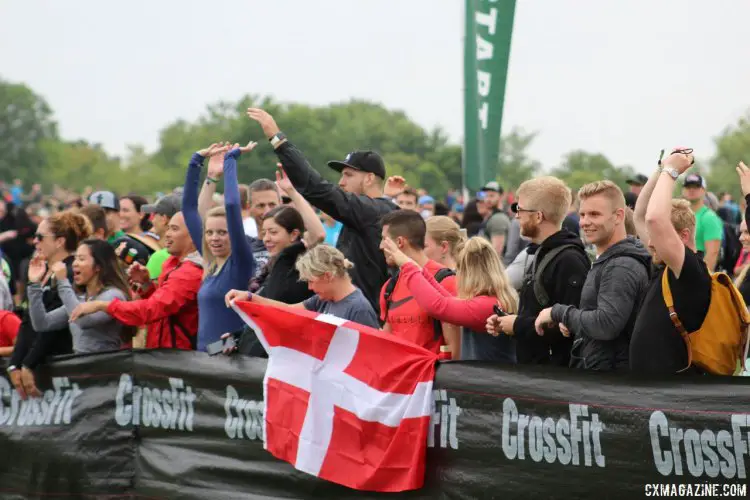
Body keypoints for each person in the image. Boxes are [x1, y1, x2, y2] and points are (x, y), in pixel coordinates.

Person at [248, 108, 397, 317]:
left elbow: (318, 189)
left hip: (365, 322)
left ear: (369, 178)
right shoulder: (370, 211)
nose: (341, 182)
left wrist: (278, 140)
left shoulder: (371, 210)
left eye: (348, 175)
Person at [535, 181, 651, 371]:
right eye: (582, 214)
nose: (585, 222)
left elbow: (606, 324)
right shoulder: (609, 259)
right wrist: (574, 322)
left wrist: (557, 312)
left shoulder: (621, 266)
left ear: (618, 216)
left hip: (612, 383)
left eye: (594, 214)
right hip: (600, 375)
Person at [485, 177, 590, 366]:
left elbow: (570, 327)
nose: (517, 215)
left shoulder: (569, 260)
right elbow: (539, 311)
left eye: (520, 209)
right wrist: (507, 321)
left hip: (554, 379)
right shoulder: (542, 251)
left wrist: (517, 325)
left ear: (538, 216)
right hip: (535, 374)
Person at [70, 212, 202, 349]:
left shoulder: (189, 273)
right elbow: (165, 307)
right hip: (164, 353)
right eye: (168, 228)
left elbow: (152, 309)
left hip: (178, 358)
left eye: (174, 229)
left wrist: (103, 305)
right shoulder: (173, 264)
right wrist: (147, 286)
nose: (167, 234)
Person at [630, 149, 710, 374]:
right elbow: (641, 215)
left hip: (673, 393)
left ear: (682, 237)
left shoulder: (691, 271)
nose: (650, 244)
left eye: (657, 238)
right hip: (653, 390)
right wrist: (661, 168)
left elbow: (655, 219)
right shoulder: (667, 264)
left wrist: (672, 171)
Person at [382, 236, 517, 362]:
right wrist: (420, 271)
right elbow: (448, 299)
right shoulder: (491, 300)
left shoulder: (488, 305)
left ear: (468, 273)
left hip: (490, 383)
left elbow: (439, 306)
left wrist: (407, 266)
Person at [7, 211, 92, 399]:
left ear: (59, 241)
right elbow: (29, 320)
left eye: (40, 237)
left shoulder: (71, 271)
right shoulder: (44, 271)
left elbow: (53, 326)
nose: (35, 241)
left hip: (61, 364)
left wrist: (29, 364)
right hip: (40, 362)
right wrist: (15, 364)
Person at [184, 142, 257, 351]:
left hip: (230, 361)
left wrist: (231, 162)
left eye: (222, 232)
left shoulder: (240, 262)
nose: (214, 238)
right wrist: (196, 161)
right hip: (204, 358)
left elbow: (232, 205)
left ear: (233, 234)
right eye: (209, 232)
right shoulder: (210, 260)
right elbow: (189, 209)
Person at [226, 244, 379, 329]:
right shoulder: (323, 299)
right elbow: (287, 310)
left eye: (311, 281)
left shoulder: (359, 309)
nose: (310, 288)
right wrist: (250, 297)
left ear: (327, 276)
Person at [378, 210, 461, 356]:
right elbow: (386, 341)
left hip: (433, 377)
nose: (380, 246)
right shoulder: (389, 287)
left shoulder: (446, 281)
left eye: (384, 239)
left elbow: (454, 351)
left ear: (399, 242)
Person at [29, 239, 133, 353]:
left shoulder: (114, 295)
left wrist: (62, 282)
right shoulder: (81, 298)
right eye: (75, 258)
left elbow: (83, 322)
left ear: (98, 266)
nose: (74, 263)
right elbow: (42, 323)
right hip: (80, 366)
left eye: (81, 259)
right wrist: (34, 285)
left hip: (106, 367)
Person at [681, 174, 723, 271]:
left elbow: (712, 253)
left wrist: (702, 279)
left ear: (704, 190)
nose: (691, 190)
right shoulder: (680, 214)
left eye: (696, 186)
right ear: (683, 190)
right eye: (688, 186)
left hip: (697, 273)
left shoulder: (709, 217)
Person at [141, 194, 182, 280]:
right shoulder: (188, 253)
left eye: (155, 215)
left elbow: (143, 290)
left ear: (164, 219)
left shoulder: (159, 257)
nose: (152, 220)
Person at [478, 181, 511, 256]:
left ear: (501, 197)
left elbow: (496, 253)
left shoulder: (498, 219)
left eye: (492, 196)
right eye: (486, 196)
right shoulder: (493, 216)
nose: (488, 199)